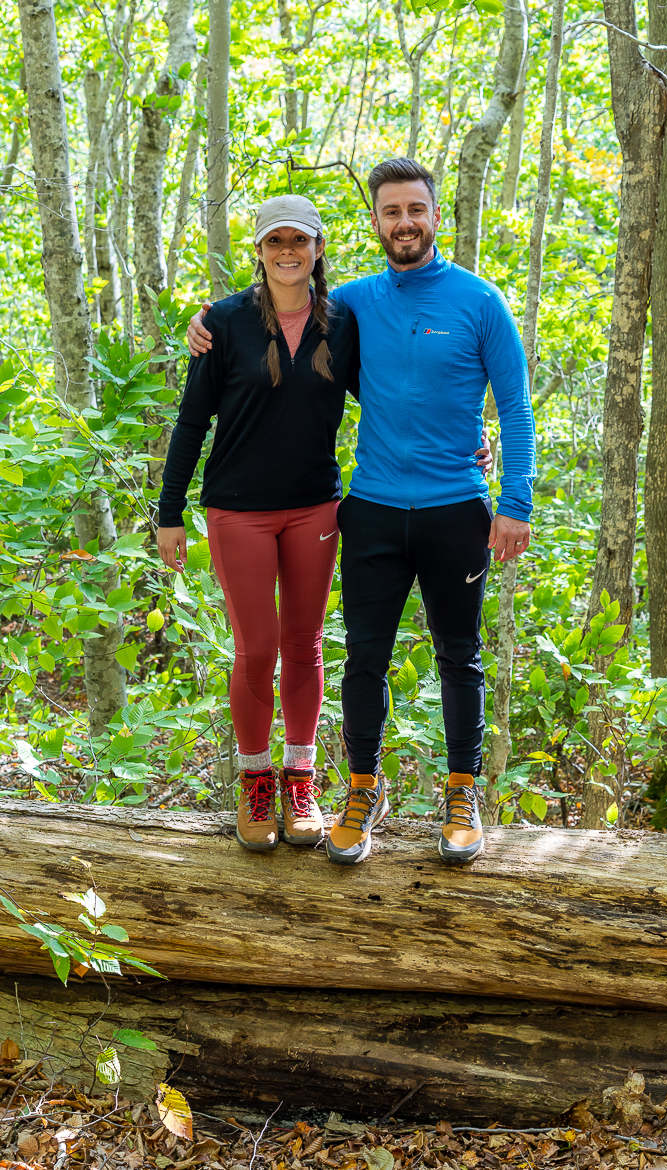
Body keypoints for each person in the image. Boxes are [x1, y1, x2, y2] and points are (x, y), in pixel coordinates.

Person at [186, 157, 536, 868]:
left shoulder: (479, 302)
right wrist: (208, 326)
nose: (404, 223)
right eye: (391, 212)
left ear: (436, 216)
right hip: (371, 510)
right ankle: (359, 792)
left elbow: (517, 408)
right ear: (374, 222)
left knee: (459, 657)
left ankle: (462, 793)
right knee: (362, 661)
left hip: (457, 512)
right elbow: (274, 324)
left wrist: (515, 500)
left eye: (416, 209)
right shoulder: (347, 308)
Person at [157, 194, 360, 854]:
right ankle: (254, 782)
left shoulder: (344, 323)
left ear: (318, 249)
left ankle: (300, 779)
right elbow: (192, 422)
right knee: (257, 648)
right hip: (238, 511)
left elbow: (393, 395)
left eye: (299, 241)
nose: (287, 253)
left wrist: (466, 441)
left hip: (314, 508)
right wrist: (170, 513)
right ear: (259, 251)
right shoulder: (223, 323)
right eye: (275, 242)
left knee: (304, 645)